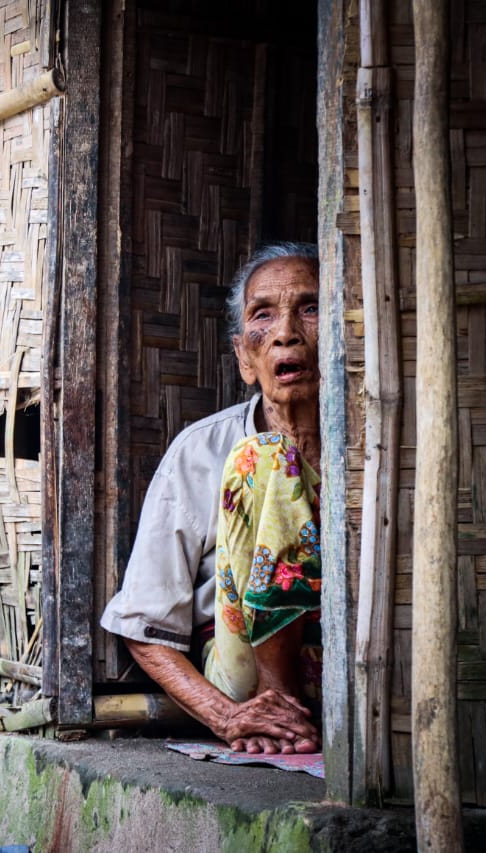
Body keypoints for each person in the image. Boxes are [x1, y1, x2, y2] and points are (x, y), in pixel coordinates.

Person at [100, 242, 323, 755]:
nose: (287, 333)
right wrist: (229, 717)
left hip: (356, 673)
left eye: (310, 309)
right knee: (264, 459)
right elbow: (143, 624)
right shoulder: (201, 449)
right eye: (263, 316)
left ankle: (293, 719)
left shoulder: (378, 448)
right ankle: (278, 699)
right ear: (245, 356)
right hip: (240, 673)